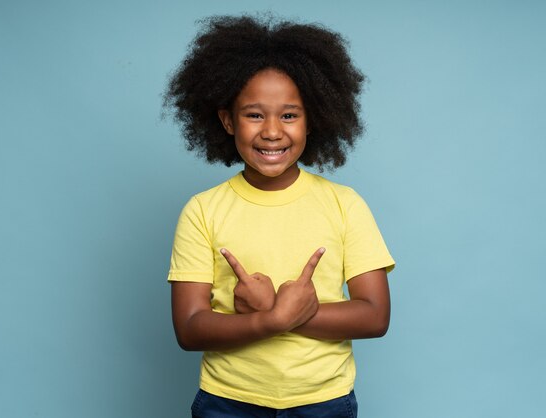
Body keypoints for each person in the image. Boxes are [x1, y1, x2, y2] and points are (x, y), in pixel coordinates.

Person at [164, 14, 395, 418]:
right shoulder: (202, 211)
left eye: (289, 115)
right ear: (227, 120)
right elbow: (189, 328)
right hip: (228, 402)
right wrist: (270, 321)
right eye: (255, 115)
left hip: (324, 402)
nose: (272, 131)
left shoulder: (345, 204)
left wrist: (275, 311)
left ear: (313, 119)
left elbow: (374, 315)